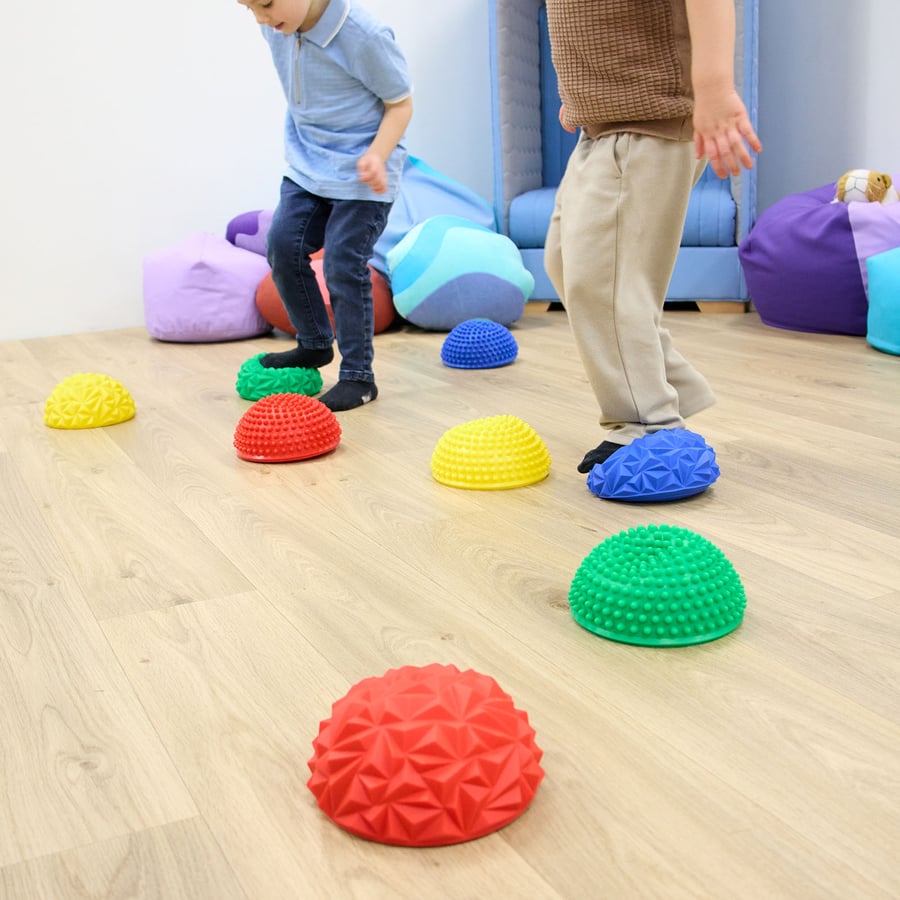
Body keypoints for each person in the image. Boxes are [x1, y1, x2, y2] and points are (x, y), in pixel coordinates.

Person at [543, 0, 762, 472]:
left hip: (648, 123)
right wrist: (582, 94)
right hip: (604, 125)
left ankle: (647, 422)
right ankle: (666, 381)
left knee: (604, 283)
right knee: (564, 261)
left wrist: (715, 88)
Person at [238, 0, 413, 410]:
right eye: (249, 8)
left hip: (362, 177)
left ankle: (358, 377)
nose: (261, 18)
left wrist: (377, 156)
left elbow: (400, 104)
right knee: (283, 246)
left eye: (266, 3)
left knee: (342, 265)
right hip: (307, 167)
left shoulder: (365, 36)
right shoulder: (279, 24)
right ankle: (315, 343)